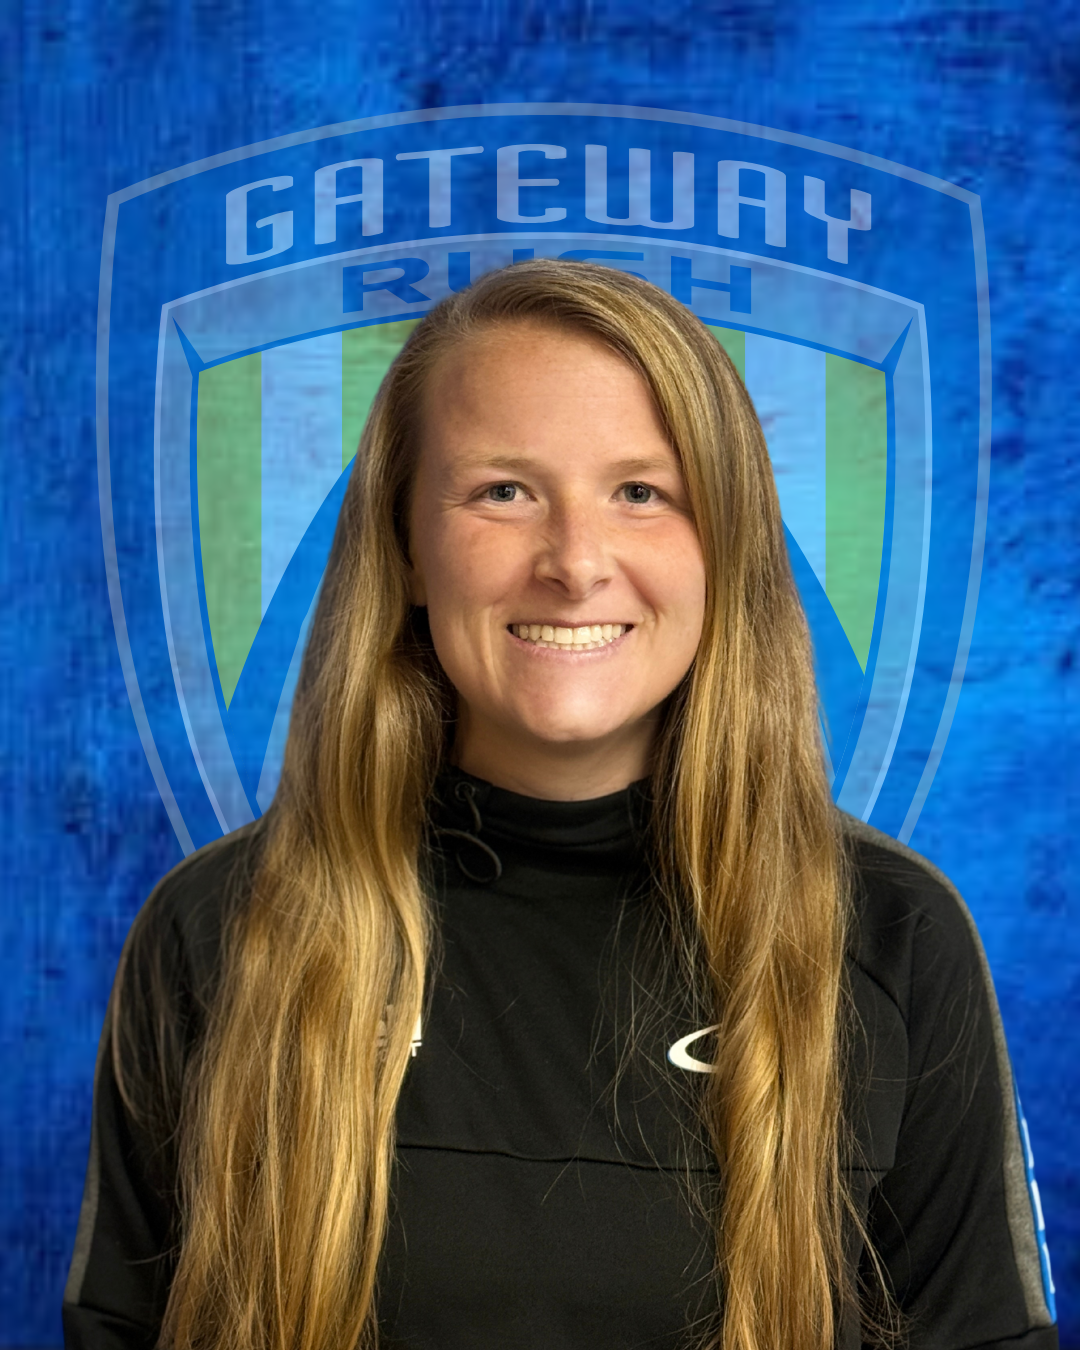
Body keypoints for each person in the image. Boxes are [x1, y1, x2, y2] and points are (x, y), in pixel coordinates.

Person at [63, 260, 1056, 1350]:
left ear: (725, 544)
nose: (576, 565)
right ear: (406, 547)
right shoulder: (222, 928)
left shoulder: (891, 937)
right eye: (504, 492)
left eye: (641, 493)